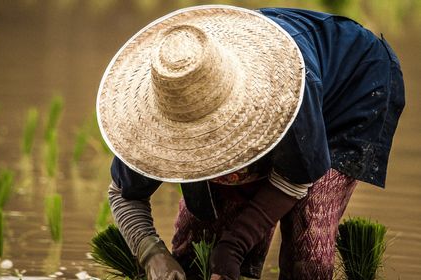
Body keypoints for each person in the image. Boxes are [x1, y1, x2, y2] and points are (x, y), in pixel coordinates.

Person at [96, 5, 404, 280]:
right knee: (198, 247)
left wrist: (234, 245)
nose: (202, 144)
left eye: (210, 132)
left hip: (349, 89)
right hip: (280, 79)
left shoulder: (285, 94)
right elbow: (123, 194)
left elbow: (298, 177)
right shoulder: (152, 119)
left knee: (307, 247)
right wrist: (152, 254)